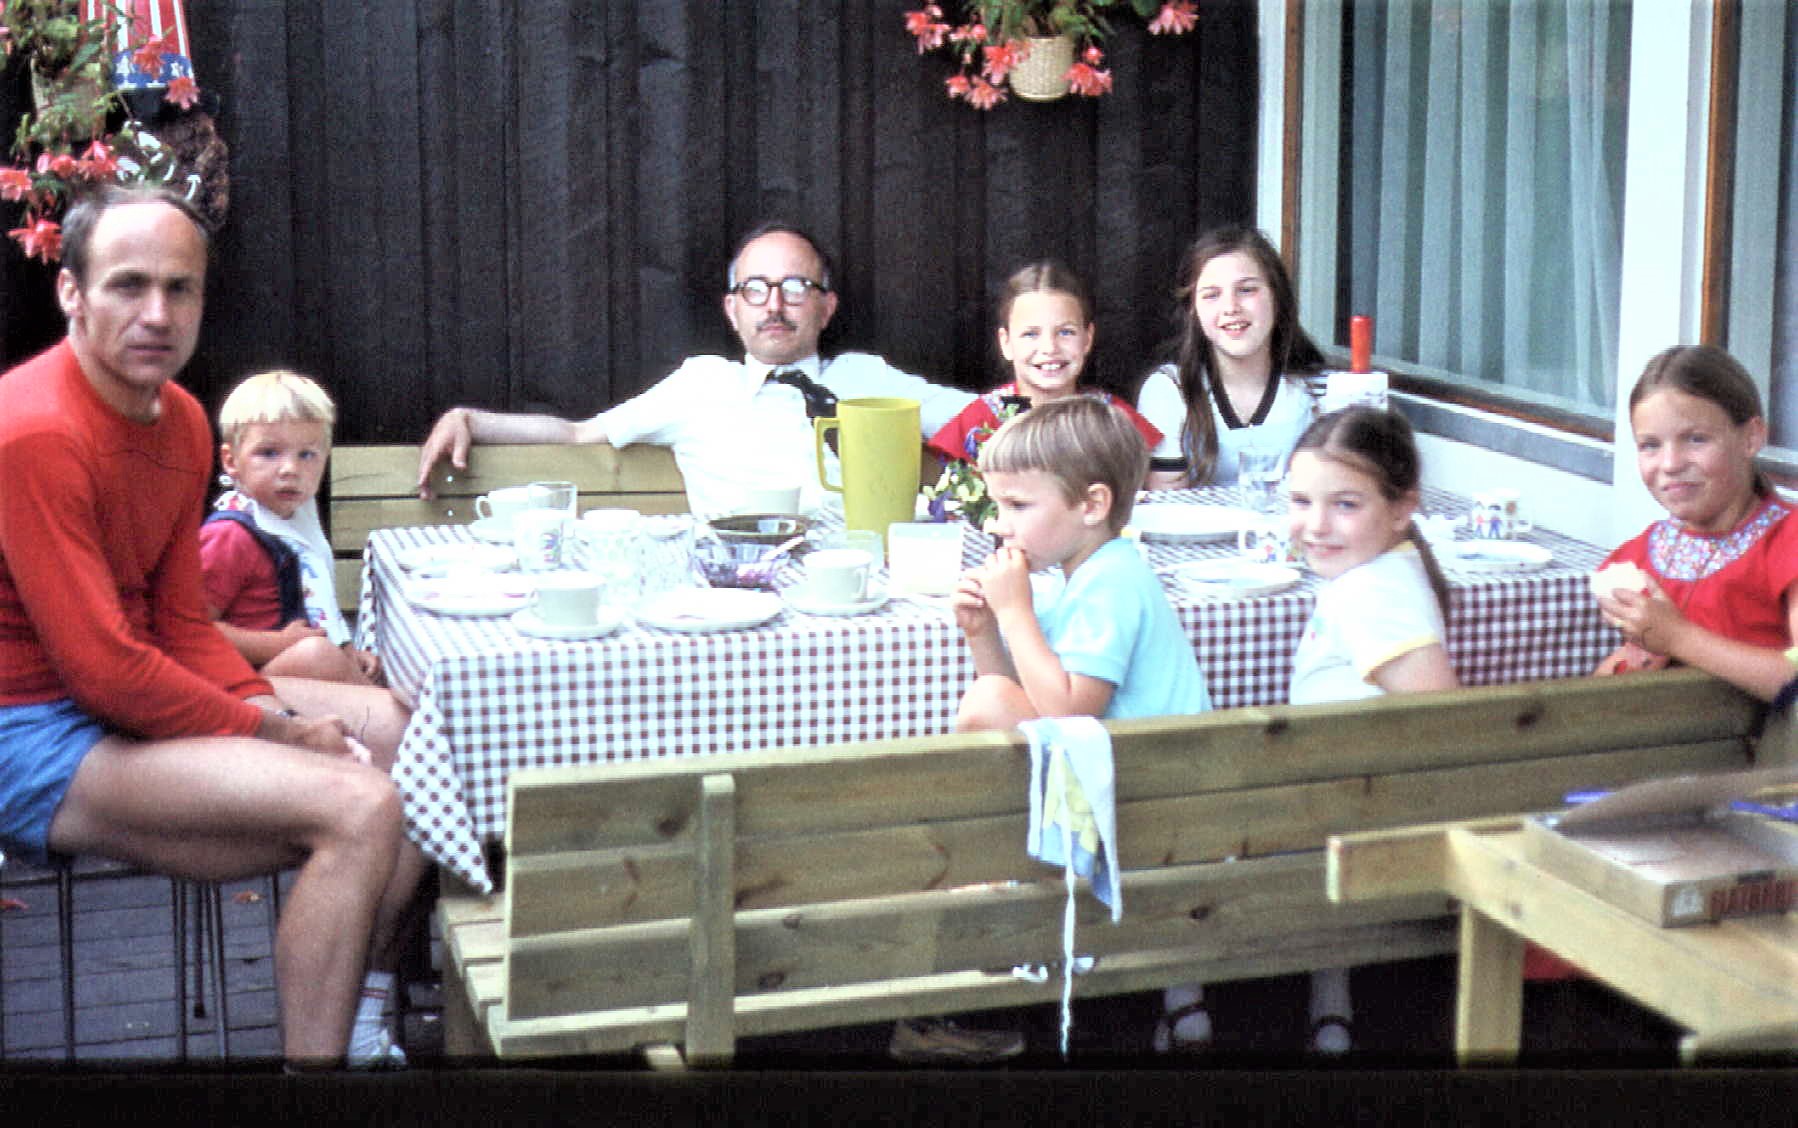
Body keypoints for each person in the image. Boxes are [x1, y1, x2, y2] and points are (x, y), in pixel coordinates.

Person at [0, 185, 423, 1069]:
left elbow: (183, 623)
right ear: (72, 292)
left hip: (125, 697)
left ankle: (359, 1014)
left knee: (412, 736)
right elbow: (104, 671)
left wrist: (274, 716)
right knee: (360, 807)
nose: (157, 313)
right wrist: (279, 732)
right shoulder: (33, 432)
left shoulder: (186, 422)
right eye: (128, 285)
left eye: (180, 288)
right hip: (31, 730)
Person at [1155, 406, 1457, 1057]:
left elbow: (1443, 720)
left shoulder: (1370, 595)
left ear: (1402, 508)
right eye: (1300, 501)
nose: (1315, 526)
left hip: (1345, 827)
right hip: (1344, 808)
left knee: (1168, 803)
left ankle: (1181, 993)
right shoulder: (1390, 569)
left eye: (1345, 505)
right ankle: (1329, 1002)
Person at [414, 222, 975, 518]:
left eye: (795, 287)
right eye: (755, 289)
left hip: (862, 586)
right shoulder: (700, 385)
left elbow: (984, 417)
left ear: (826, 307)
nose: (774, 305)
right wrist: (472, 420)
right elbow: (578, 434)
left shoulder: (867, 378)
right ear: (732, 309)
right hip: (743, 585)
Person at [951, 396, 1211, 731]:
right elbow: (1028, 697)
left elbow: (1070, 715)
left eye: (1018, 505)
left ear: (1092, 505)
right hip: (1119, 753)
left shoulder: (1112, 583)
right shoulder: (1068, 581)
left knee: (988, 701)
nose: (998, 526)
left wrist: (1015, 612)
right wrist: (982, 630)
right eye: (998, 506)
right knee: (992, 698)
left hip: (1163, 759)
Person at [1594, 345, 1798, 703]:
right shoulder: (1638, 557)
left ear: (1751, 437)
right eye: (1650, 445)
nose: (1671, 464)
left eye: (1696, 439)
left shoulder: (1787, 542)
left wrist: (1678, 638)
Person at [201, 370, 381, 685]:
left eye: (307, 455)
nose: (290, 469)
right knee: (316, 656)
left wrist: (347, 651)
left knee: (334, 659)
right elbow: (192, 627)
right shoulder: (231, 535)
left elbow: (318, 599)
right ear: (231, 461)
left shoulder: (296, 517)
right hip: (242, 682)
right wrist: (280, 643)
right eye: (269, 453)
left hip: (293, 670)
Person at [1136, 225, 1326, 490]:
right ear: (1192, 309)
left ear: (1277, 296)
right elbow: (1167, 504)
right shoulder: (1170, 390)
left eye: (1246, 290)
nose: (1230, 307)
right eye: (1212, 295)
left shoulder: (1320, 391)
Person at [924, 260, 1161, 467]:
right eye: (1030, 334)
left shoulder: (1114, 419)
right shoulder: (978, 422)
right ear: (1006, 343)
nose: (1049, 348)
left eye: (1066, 332)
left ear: (1087, 339)